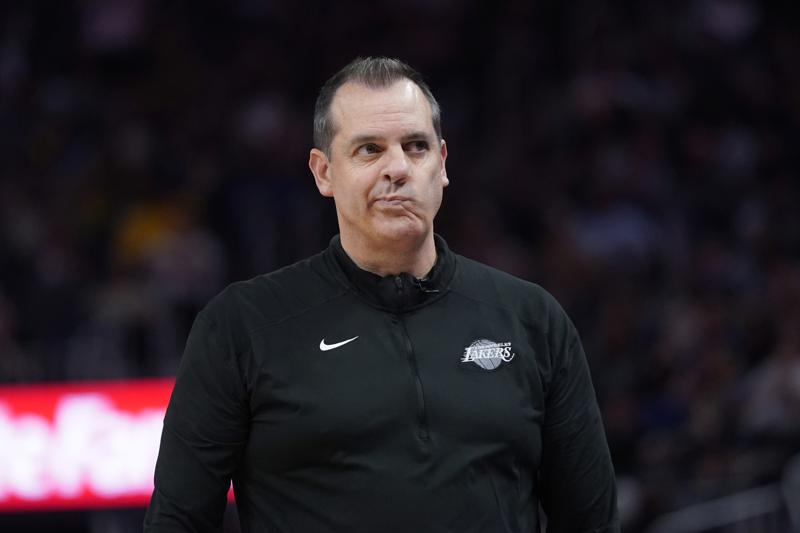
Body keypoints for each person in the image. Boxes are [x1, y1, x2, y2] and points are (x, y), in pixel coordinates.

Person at [144, 56, 619, 533]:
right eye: (369, 150)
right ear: (323, 172)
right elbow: (177, 523)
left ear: (442, 164)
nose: (397, 168)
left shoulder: (532, 320)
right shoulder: (241, 327)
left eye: (416, 147)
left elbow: (592, 521)